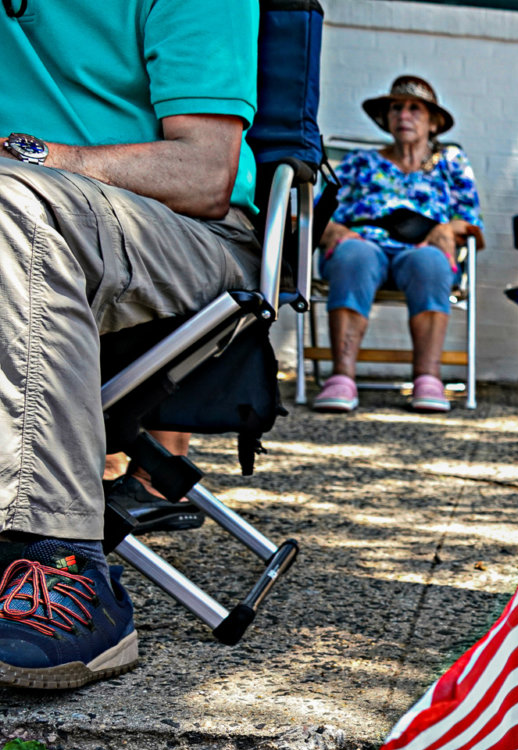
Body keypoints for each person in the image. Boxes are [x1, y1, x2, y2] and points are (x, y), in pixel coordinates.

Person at [0, 0, 260, 690]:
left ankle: (58, 562)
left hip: (181, 230)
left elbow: (204, 173)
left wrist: (36, 157)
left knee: (11, 205)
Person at [312, 76, 482, 415]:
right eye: (396, 108)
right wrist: (334, 231)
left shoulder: (451, 163)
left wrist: (448, 228)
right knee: (353, 256)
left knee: (431, 263)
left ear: (433, 123)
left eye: (415, 109)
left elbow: (470, 219)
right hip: (363, 242)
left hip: (423, 247)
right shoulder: (360, 162)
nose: (404, 115)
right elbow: (321, 213)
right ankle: (341, 377)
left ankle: (428, 379)